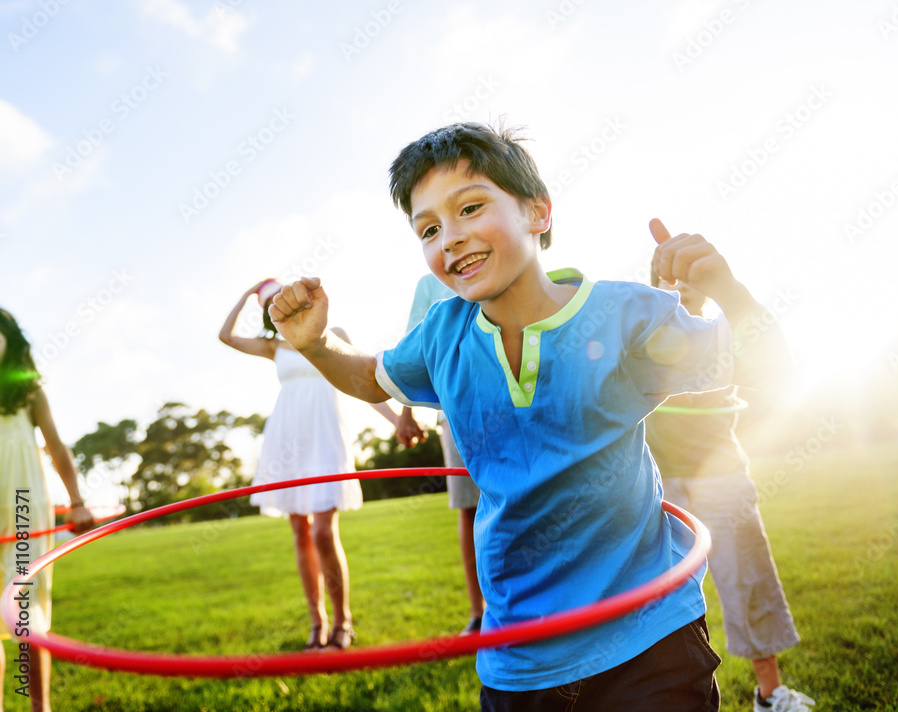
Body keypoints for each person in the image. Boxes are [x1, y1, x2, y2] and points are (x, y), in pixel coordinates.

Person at [265, 122, 792, 710]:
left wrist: (728, 288)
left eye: (470, 208)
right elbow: (368, 377)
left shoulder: (627, 315)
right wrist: (315, 346)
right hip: (519, 659)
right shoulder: (442, 336)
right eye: (430, 229)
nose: (451, 238)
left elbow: (766, 366)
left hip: (648, 640)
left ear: (538, 212)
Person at [645, 276, 815, 711]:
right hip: (662, 485)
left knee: (748, 582)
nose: (680, 285)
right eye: (668, 277)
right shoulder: (640, 338)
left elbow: (772, 361)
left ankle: (770, 694)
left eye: (687, 277)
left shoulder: (723, 336)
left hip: (721, 475)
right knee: (661, 601)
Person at [219, 280, 400, 651]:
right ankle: (317, 623)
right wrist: (248, 293)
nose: (276, 303)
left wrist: (397, 421)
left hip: (324, 434)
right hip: (286, 438)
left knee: (322, 532)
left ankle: (343, 621)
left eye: (278, 295)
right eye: (268, 303)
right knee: (300, 533)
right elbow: (227, 337)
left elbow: (361, 378)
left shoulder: (331, 333)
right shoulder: (273, 347)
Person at [0, 307, 95, 712]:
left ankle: (41, 708)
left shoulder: (28, 393)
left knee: (27, 620)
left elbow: (57, 449)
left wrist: (77, 502)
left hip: (23, 510)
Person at [395, 273, 485, 635]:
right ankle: (479, 613)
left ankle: (534, 605)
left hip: (517, 403)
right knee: (468, 509)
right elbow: (414, 346)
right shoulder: (430, 284)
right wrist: (406, 409)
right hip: (456, 411)